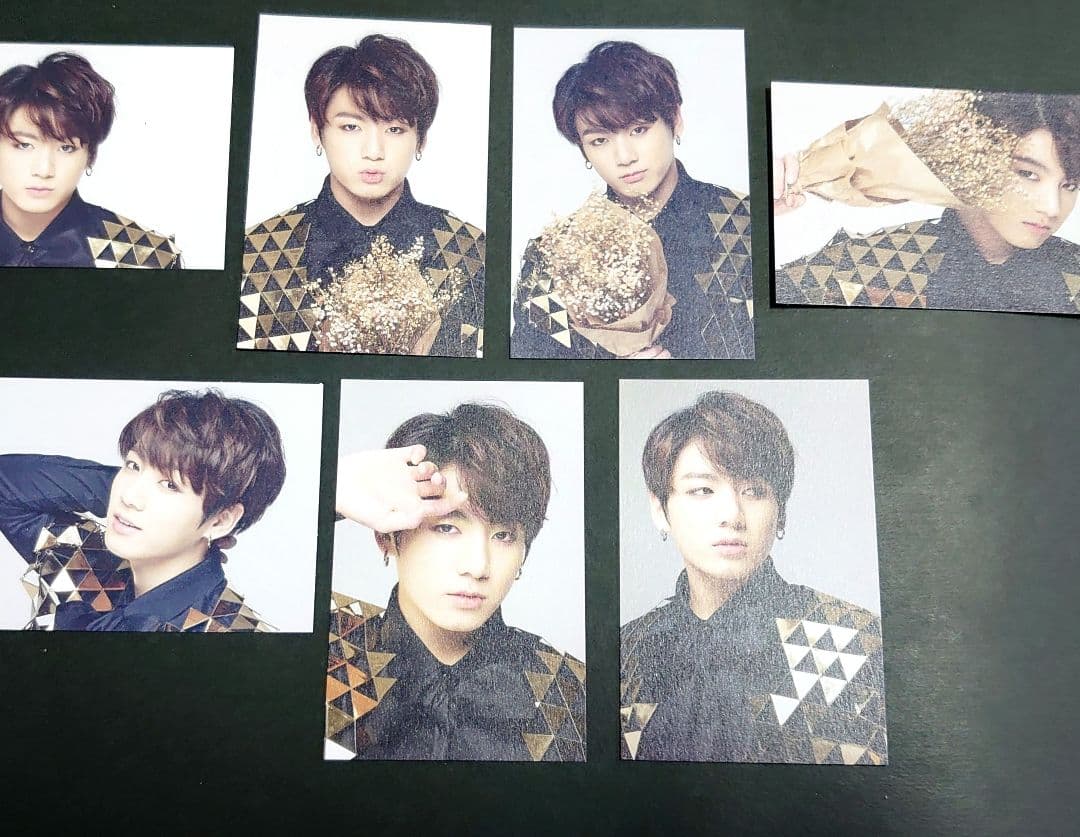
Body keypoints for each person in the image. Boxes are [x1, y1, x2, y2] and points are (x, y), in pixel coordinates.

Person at [620, 391, 887, 764]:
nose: (732, 514)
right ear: (659, 509)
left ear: (781, 511)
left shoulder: (858, 640)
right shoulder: (627, 650)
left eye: (754, 491)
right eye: (703, 490)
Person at [327, 403, 586, 761]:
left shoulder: (568, 686)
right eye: (447, 527)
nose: (478, 566)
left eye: (504, 536)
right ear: (386, 536)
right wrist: (334, 485)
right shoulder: (329, 651)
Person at [238, 35, 485, 356]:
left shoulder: (469, 252)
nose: (373, 151)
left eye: (395, 129)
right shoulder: (258, 251)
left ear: (421, 139)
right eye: (351, 127)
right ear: (317, 130)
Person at [511, 40, 754, 360]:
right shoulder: (554, 251)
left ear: (675, 120)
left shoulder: (743, 220)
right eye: (600, 140)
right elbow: (530, 363)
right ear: (583, 150)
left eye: (639, 130)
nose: (624, 157)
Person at [0, 389, 285, 631]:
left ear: (222, 521)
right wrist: (124, 491)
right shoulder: (85, 562)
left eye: (170, 485)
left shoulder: (237, 636)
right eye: (133, 465)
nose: (130, 496)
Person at [774, 91, 1080, 314]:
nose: (1052, 208)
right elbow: (756, 318)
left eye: (1070, 185)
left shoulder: (1073, 274)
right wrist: (763, 211)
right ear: (970, 160)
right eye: (1027, 174)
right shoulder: (868, 263)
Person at [0, 52, 181, 269]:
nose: (44, 169)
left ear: (90, 155)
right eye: (24, 145)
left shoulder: (148, 257)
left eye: (66, 148)